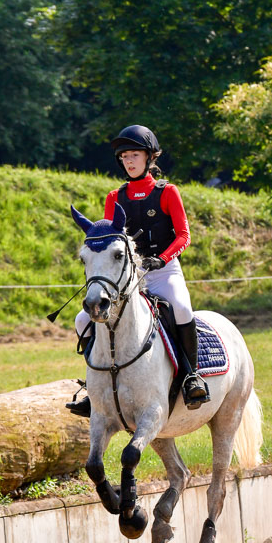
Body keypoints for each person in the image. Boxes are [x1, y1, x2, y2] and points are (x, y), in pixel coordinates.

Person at [66, 124, 210, 417]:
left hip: (163, 271)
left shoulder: (167, 191)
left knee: (181, 308)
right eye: (124, 157)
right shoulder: (114, 196)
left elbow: (184, 235)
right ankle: (95, 389)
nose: (129, 161)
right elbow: (108, 242)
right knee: (84, 319)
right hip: (126, 278)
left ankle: (191, 376)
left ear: (149, 157)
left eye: (134, 155)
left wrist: (163, 257)